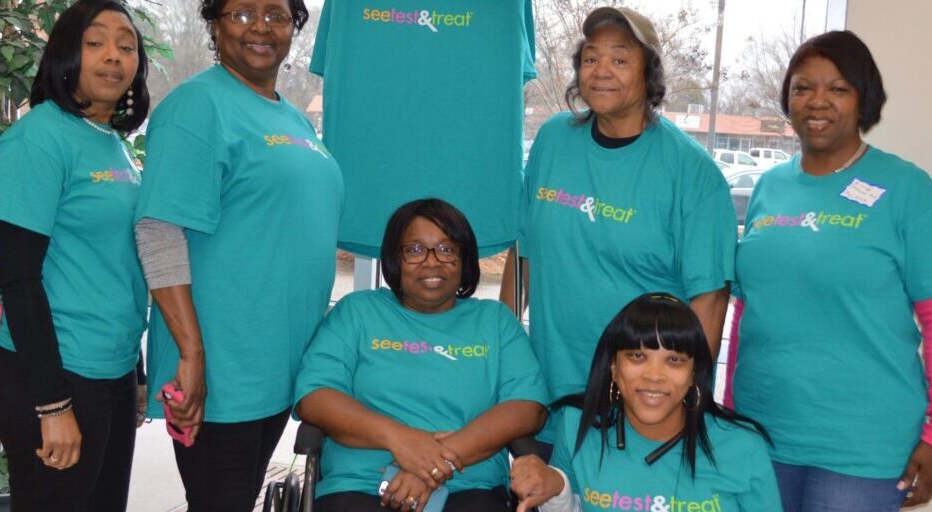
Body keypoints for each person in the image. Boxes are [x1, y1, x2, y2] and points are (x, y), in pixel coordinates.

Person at [728, 30, 932, 511]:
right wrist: (731, 412)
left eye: (837, 88)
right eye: (802, 88)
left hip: (863, 449)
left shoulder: (906, 188)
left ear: (864, 99)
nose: (817, 101)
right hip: (761, 433)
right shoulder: (769, 188)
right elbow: (746, 310)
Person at [133, 0, 343, 509]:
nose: (260, 27)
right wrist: (191, 356)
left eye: (276, 14)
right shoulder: (197, 106)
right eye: (242, 13)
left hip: (277, 365)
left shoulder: (292, 117)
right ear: (214, 23)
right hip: (223, 370)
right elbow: (160, 233)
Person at [500, 6, 736, 454]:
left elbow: (709, 298)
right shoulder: (552, 141)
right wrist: (506, 355)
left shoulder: (692, 172)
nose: (601, 70)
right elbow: (523, 254)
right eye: (590, 58)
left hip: (640, 411)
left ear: (649, 73)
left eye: (620, 58)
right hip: (544, 403)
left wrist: (685, 406)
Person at [0, 1, 150, 510]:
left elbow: (113, 267)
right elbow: (18, 276)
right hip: (51, 372)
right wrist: (52, 404)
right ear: (65, 53)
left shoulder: (110, 142)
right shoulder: (37, 140)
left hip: (106, 368)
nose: (113, 56)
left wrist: (133, 372)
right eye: (95, 43)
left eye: (126, 45)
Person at [295, 199, 549, 512]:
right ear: (393, 258)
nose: (432, 261)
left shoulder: (495, 321)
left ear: (464, 258)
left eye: (447, 249)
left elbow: (528, 407)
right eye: (415, 250)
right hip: (359, 486)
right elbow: (316, 397)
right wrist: (401, 440)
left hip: (468, 488)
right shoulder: (357, 312)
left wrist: (430, 465)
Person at [510, 293, 781, 512]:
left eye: (674, 360)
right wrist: (556, 487)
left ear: (693, 374)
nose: (654, 376)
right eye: (637, 356)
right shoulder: (579, 426)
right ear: (614, 368)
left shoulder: (744, 447)